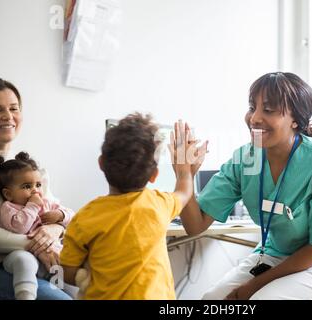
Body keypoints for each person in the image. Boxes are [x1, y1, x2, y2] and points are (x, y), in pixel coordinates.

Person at [178, 71, 312, 300]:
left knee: (262, 299)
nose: (254, 118)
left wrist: (252, 286)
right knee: (213, 300)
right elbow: (195, 225)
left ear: (296, 120)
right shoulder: (246, 159)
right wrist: (184, 174)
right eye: (252, 107)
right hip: (279, 253)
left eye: (268, 110)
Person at [60, 113, 205, 299]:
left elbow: (65, 269)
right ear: (154, 175)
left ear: (101, 163)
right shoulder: (158, 205)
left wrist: (85, 279)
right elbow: (184, 192)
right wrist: (184, 166)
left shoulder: (84, 217)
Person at [0, 77, 72, 300]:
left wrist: (56, 229)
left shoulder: (29, 169)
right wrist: (38, 244)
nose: (8, 116)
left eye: (14, 108)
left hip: (38, 260)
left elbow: (54, 215)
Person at [0, 151, 74, 300]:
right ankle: (25, 296)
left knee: (69, 266)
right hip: (18, 255)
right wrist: (32, 207)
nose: (35, 190)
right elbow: (17, 229)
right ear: (8, 194)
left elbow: (72, 217)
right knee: (24, 261)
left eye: (38, 185)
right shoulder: (9, 207)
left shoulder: (47, 203)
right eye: (27, 186)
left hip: (50, 258)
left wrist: (61, 215)